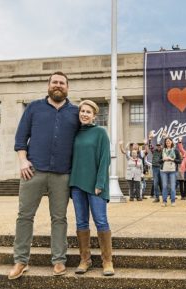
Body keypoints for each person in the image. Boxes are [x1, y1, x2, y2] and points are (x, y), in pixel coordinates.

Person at [9, 72, 79, 279]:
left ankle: (58, 260)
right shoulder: (33, 107)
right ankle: (21, 261)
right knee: (24, 216)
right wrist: (23, 161)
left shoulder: (75, 112)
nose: (58, 85)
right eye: (55, 82)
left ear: (67, 87)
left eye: (62, 83)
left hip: (62, 174)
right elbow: (21, 138)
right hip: (33, 171)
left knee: (59, 218)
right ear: (48, 85)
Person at [68, 100, 114, 276]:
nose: (84, 114)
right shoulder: (75, 134)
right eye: (82, 111)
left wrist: (100, 183)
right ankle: (85, 259)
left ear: (95, 115)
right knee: (81, 222)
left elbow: (105, 159)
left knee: (101, 221)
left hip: (96, 185)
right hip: (77, 184)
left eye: (88, 112)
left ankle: (107, 261)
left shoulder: (100, 132)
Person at [159, 137, 181, 206]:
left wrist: (172, 159)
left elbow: (179, 161)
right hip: (164, 171)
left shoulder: (175, 151)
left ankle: (173, 201)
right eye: (166, 141)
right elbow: (159, 161)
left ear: (171, 142)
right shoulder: (163, 150)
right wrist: (163, 159)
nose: (168, 142)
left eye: (169, 141)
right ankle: (164, 201)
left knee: (172, 186)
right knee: (164, 186)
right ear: (165, 143)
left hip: (172, 171)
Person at [147, 133, 163, 202]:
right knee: (155, 183)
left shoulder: (164, 151)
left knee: (162, 183)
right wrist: (150, 139)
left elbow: (167, 145)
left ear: (162, 146)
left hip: (162, 168)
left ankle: (164, 196)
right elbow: (150, 146)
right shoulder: (154, 151)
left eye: (159, 146)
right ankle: (157, 197)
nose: (158, 147)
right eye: (157, 146)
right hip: (155, 168)